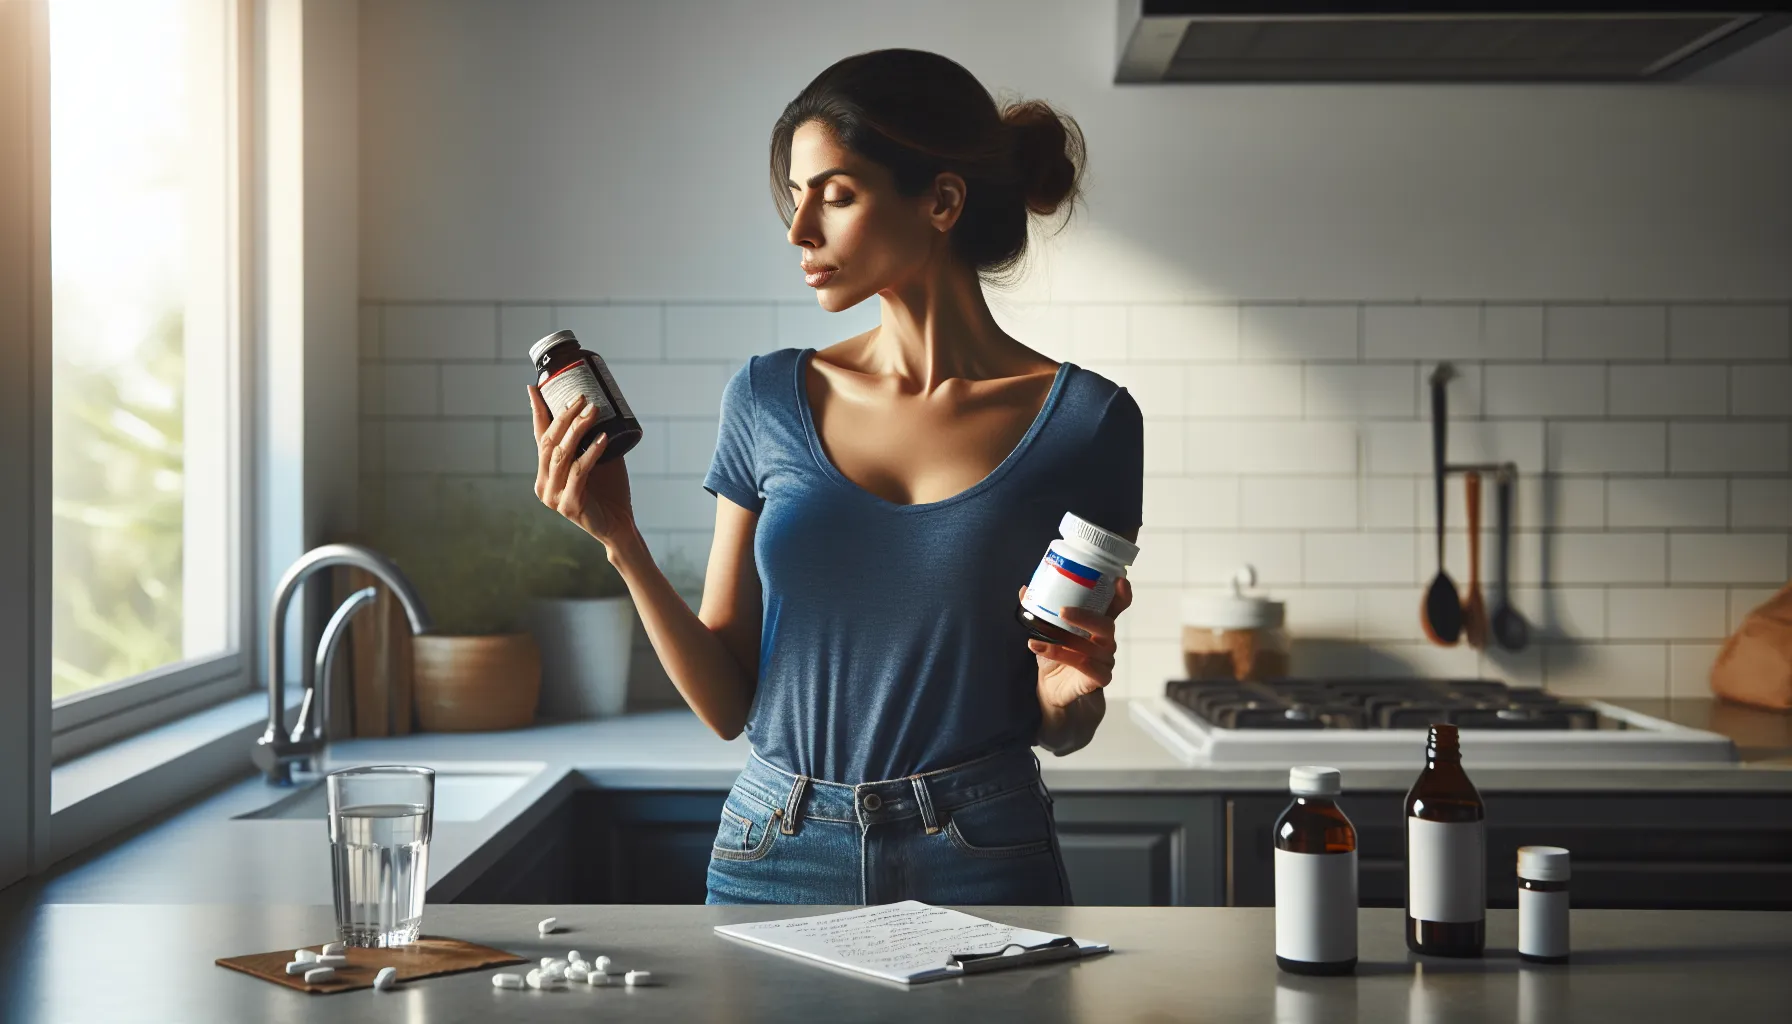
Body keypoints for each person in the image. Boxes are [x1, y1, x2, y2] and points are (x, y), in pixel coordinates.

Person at [528, 48, 1143, 906]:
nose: (799, 230)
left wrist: (1068, 695)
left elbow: (1062, 723)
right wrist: (620, 540)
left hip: (981, 847)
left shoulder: (1090, 425)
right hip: (774, 848)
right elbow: (727, 704)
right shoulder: (765, 399)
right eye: (796, 197)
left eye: (836, 195)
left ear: (941, 200)